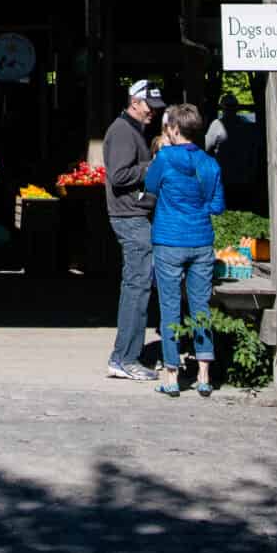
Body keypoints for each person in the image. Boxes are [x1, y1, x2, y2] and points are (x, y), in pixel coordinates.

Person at [146, 103, 225, 398]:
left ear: (175, 130)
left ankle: (172, 374)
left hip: (168, 239)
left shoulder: (164, 159)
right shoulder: (210, 164)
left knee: (170, 308)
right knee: (200, 306)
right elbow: (217, 206)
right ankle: (204, 373)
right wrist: (197, 210)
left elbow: (150, 188)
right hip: (202, 240)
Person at [103, 79, 165, 381]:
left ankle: (124, 356)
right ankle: (126, 358)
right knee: (137, 287)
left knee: (137, 286)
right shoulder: (122, 131)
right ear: (134, 102)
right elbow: (118, 175)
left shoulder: (131, 130)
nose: (153, 112)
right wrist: (151, 166)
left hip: (132, 215)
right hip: (130, 216)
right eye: (149, 106)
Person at [204, 94, 260, 209]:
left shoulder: (216, 125)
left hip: (224, 178)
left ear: (222, 107)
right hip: (243, 178)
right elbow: (254, 150)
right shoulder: (246, 125)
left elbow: (206, 147)